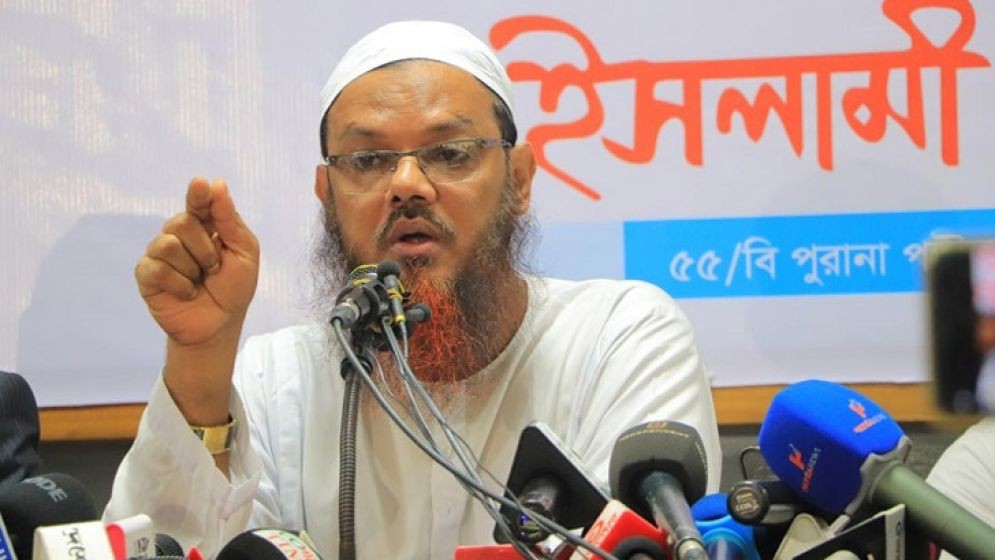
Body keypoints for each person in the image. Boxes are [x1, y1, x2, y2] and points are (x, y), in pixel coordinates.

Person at [104, 20, 722, 559]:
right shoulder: (274, 379)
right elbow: (160, 545)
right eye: (367, 161)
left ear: (520, 180)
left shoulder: (618, 338)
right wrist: (200, 359)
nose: (406, 184)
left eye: (449, 152)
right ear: (327, 199)